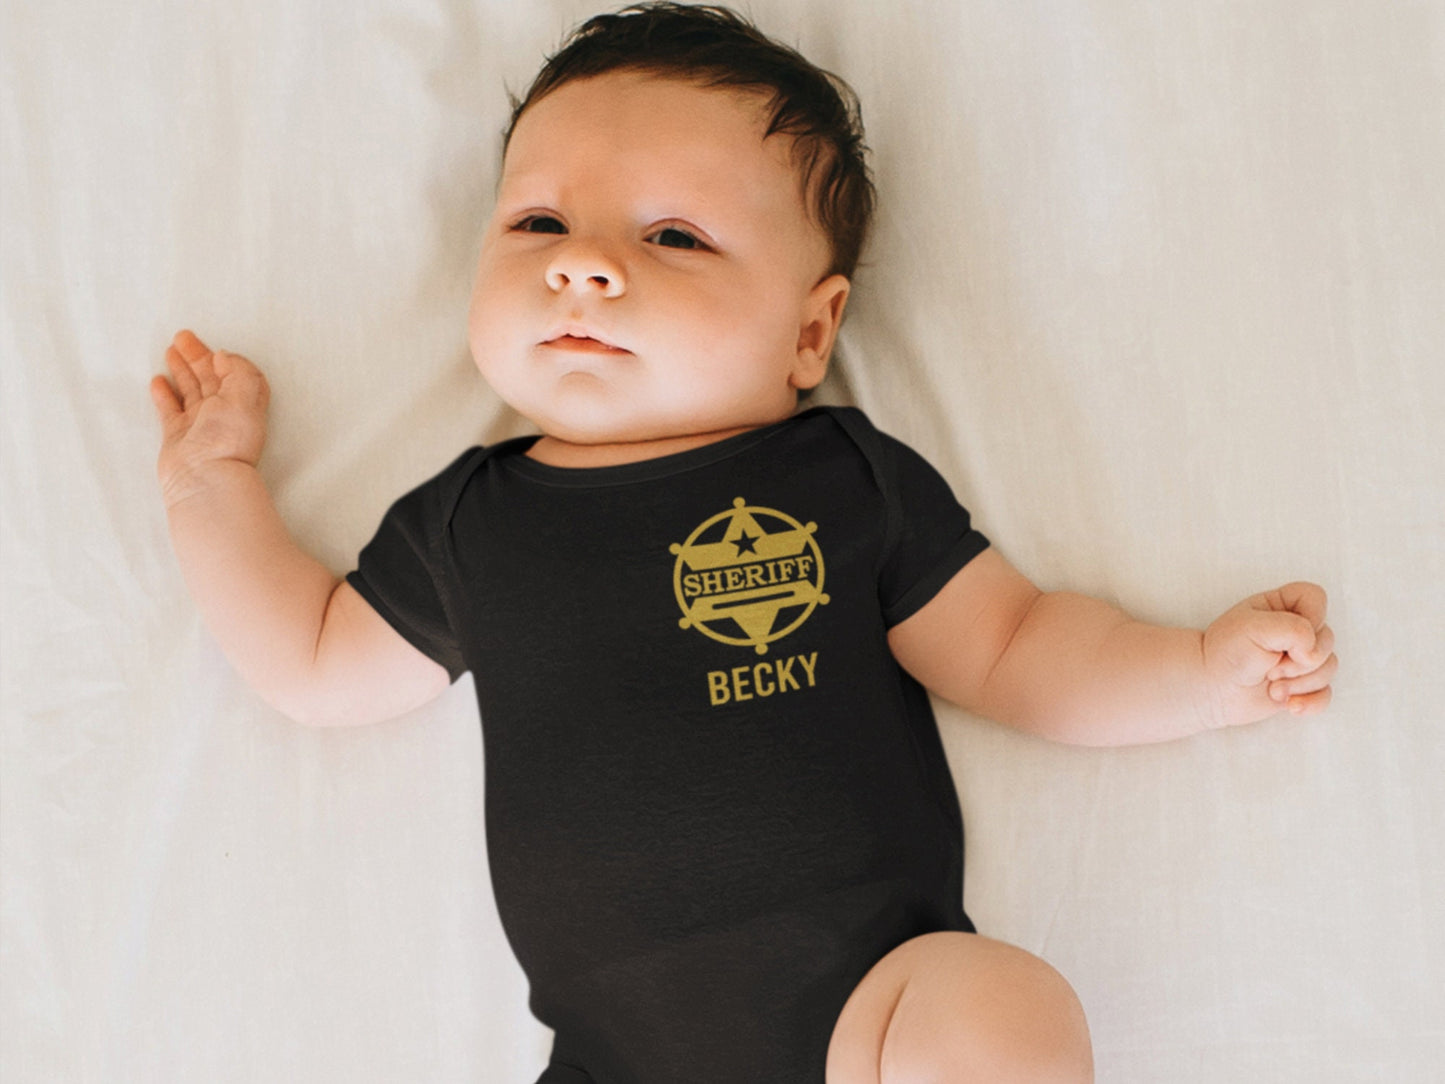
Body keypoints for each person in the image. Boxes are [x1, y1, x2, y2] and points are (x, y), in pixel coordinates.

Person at [148, 4, 1337, 1082]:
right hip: (613, 1054)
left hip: (869, 1005)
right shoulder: (468, 523)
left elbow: (1015, 644)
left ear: (810, 330)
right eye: (539, 221)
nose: (582, 262)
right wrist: (212, 485)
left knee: (1001, 1017)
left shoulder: (838, 481)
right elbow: (309, 657)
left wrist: (1192, 672)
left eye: (672, 237)